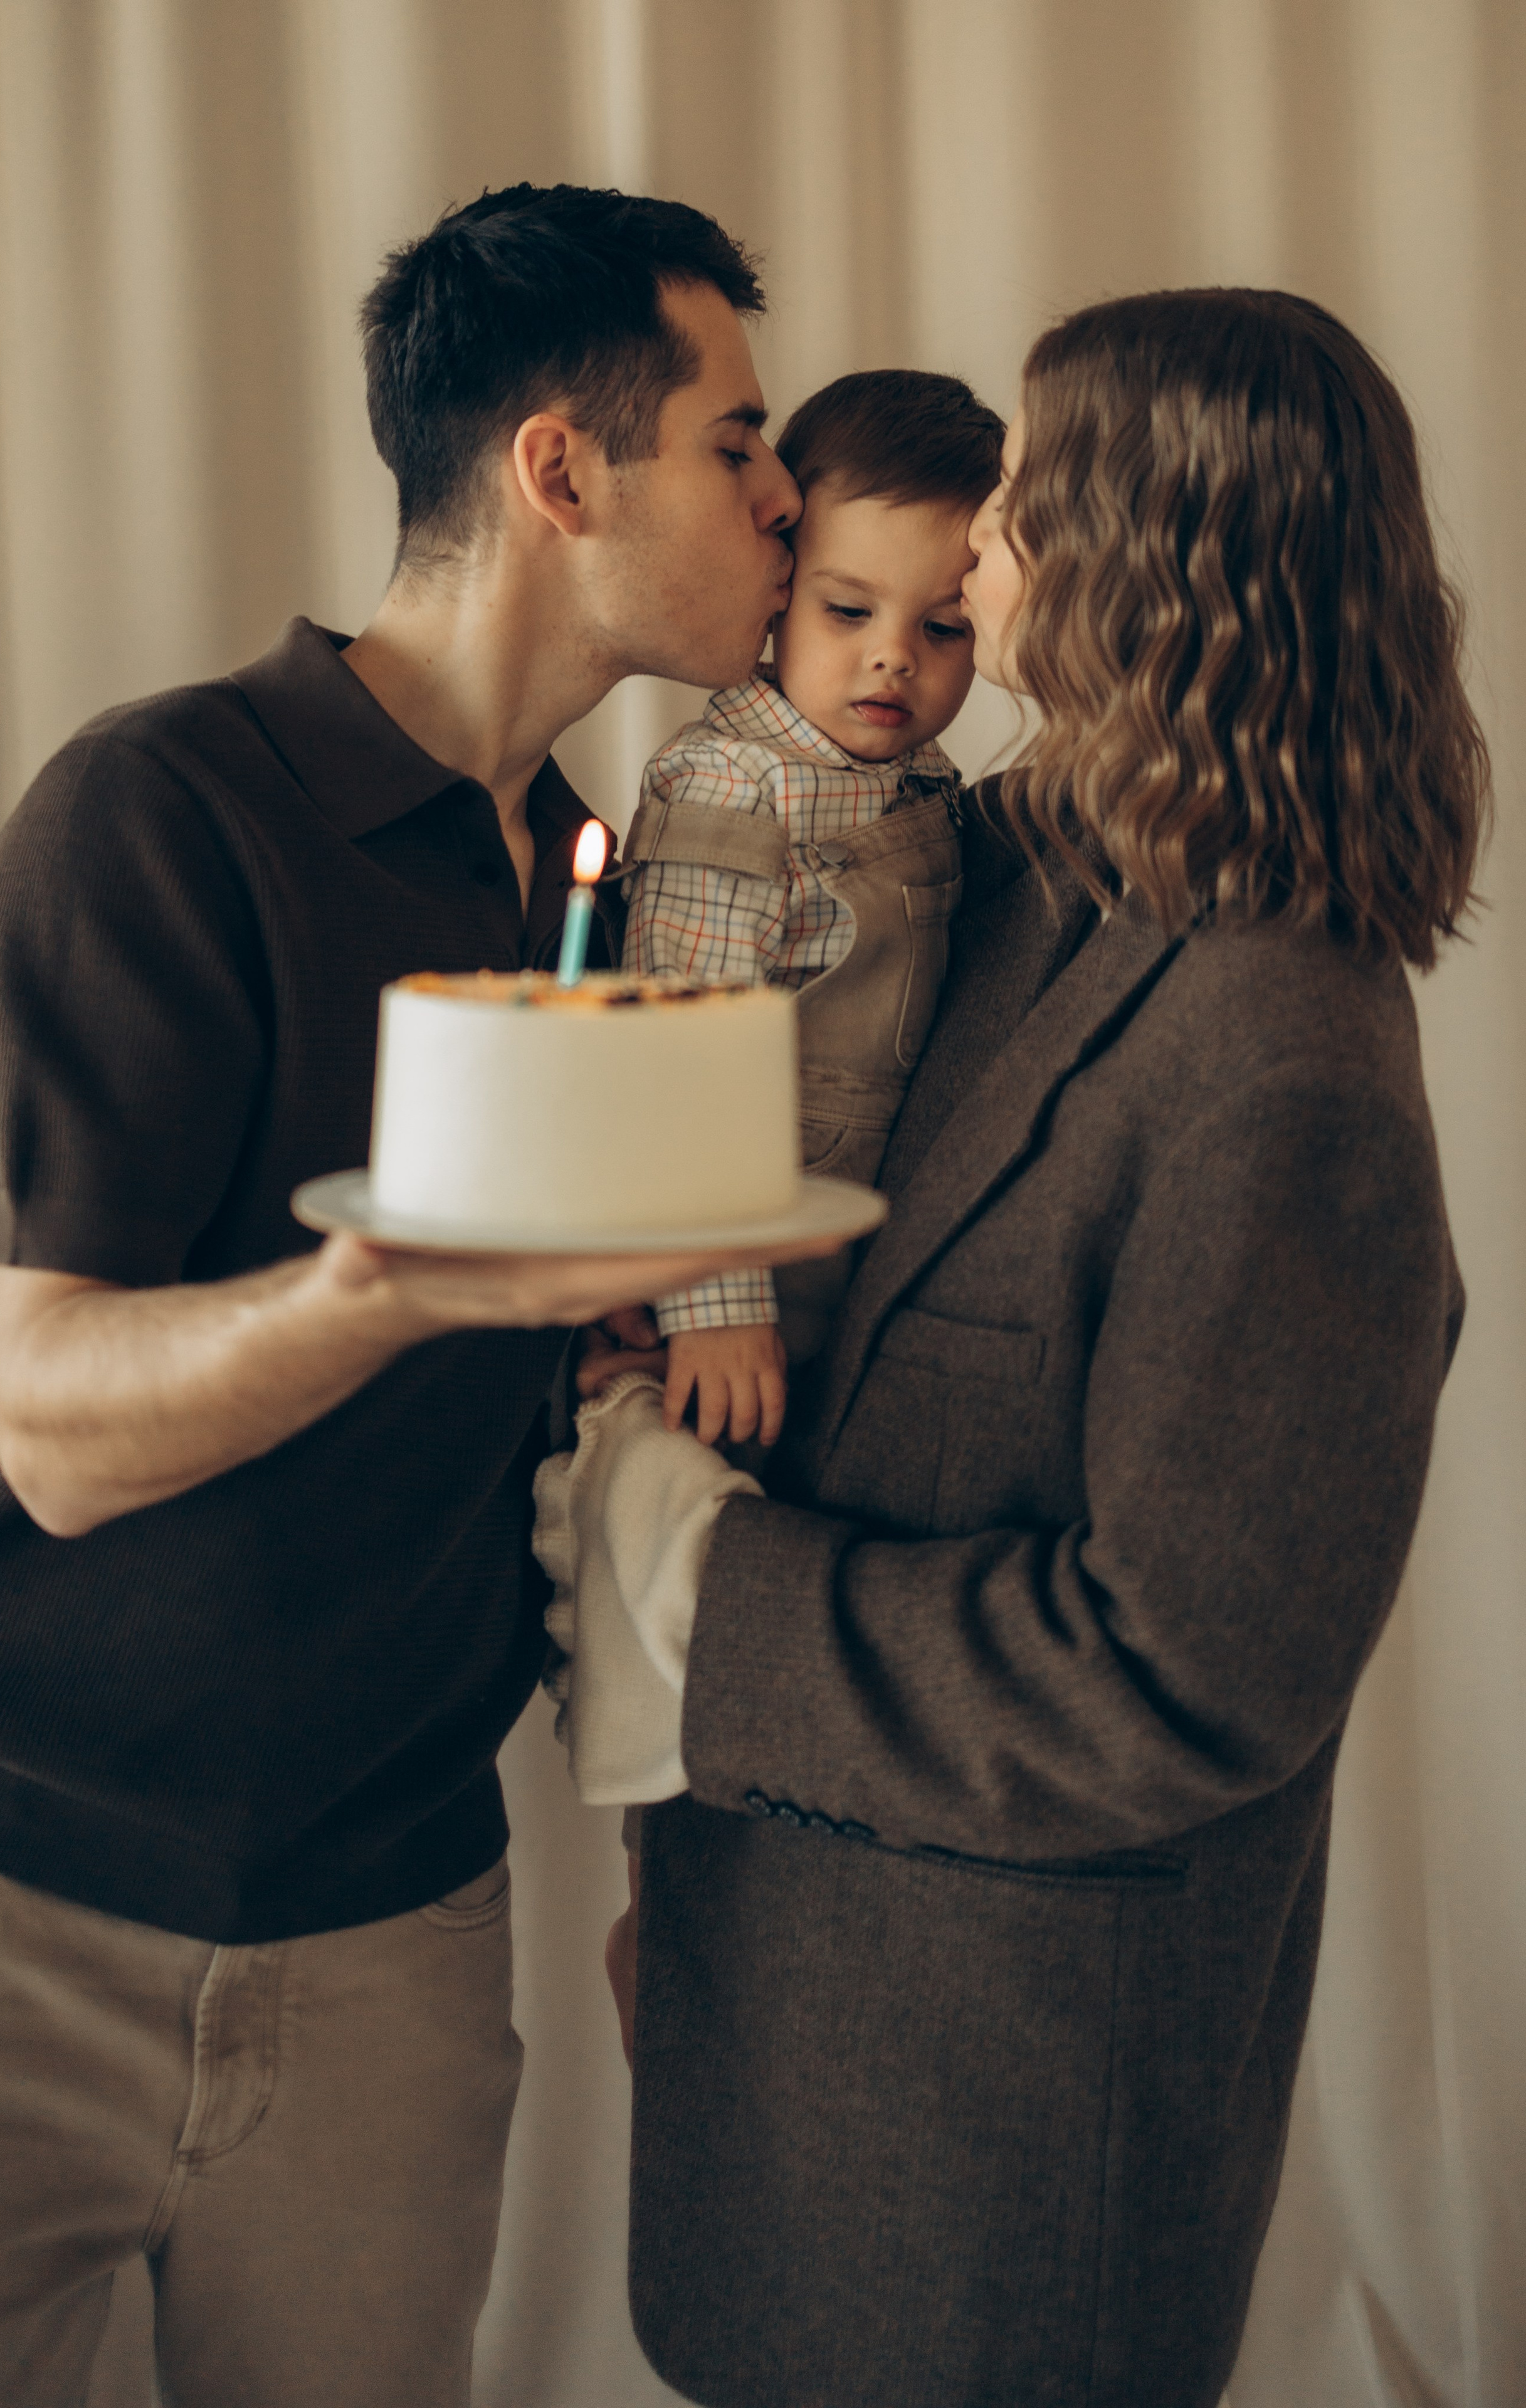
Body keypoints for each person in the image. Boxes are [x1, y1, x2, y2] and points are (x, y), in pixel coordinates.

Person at [543, 288, 1487, 2407]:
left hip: (999, 2147)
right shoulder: (991, 874)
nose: (968, 564)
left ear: (1155, 570)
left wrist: (700, 1593)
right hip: (770, 2004)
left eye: (1021, 519)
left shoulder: (1289, 1077)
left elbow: (1177, 1679)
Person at [0, 182, 817, 2408]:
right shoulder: (158, 811)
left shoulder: (590, 887)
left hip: (393, 1941)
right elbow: (50, 1422)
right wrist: (406, 1287)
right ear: (558, 470)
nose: (788, 500)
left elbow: (539, 1434)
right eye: (739, 440)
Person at [621, 371, 1003, 1445]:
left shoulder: (921, 774)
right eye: (850, 610)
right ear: (780, 586)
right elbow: (677, 1052)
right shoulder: (732, 783)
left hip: (870, 1239)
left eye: (945, 627)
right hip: (747, 1251)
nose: (895, 656)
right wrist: (714, 1302)